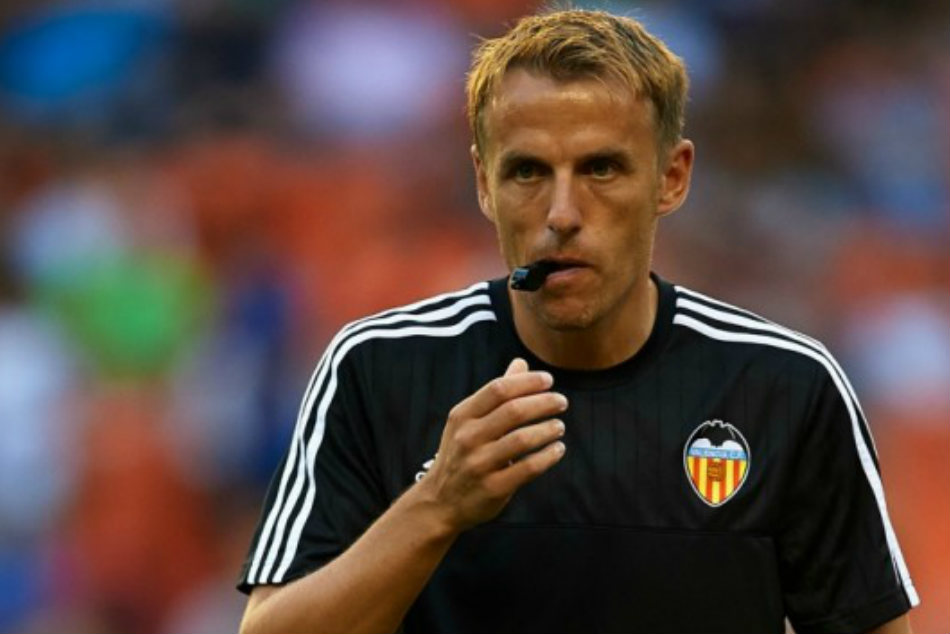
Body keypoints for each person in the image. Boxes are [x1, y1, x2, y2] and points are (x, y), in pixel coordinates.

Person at [236, 9, 918, 634]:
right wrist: (437, 504)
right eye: (528, 172)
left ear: (672, 177)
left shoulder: (783, 386)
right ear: (483, 183)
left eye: (601, 169)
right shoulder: (380, 367)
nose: (562, 213)